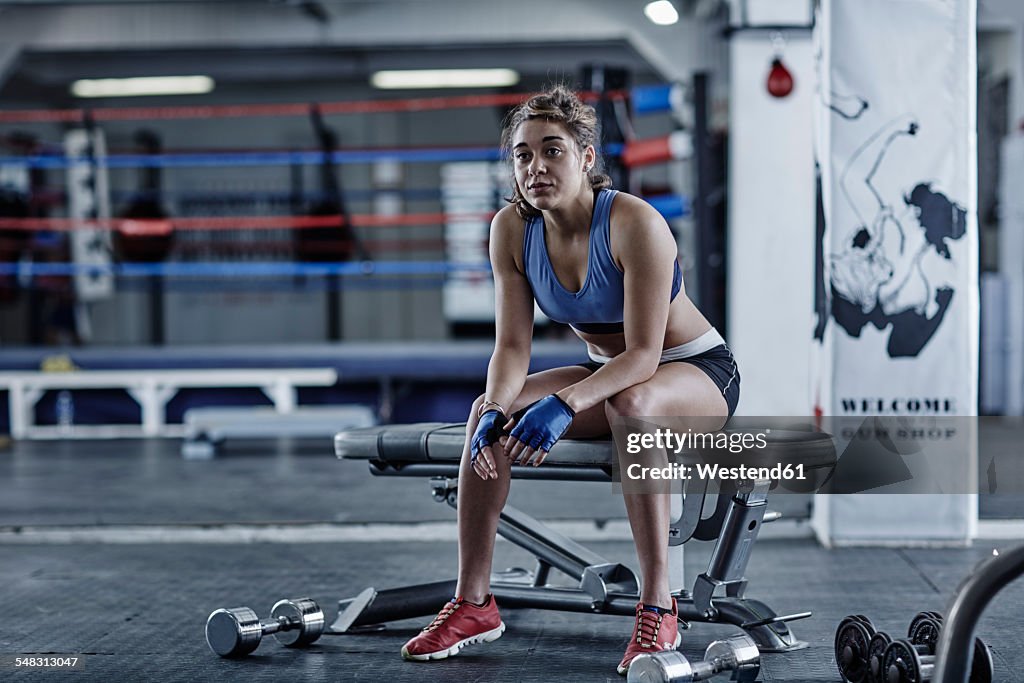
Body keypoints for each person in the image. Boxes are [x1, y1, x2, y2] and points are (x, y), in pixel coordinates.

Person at [401, 85, 740, 675]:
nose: (536, 167)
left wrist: (564, 403)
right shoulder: (511, 229)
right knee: (490, 406)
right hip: (606, 375)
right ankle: (474, 602)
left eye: (552, 151)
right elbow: (511, 346)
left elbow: (641, 355)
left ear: (586, 156)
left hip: (692, 371)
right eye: (522, 154)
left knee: (633, 402)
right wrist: (494, 412)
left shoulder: (635, 223)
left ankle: (659, 606)